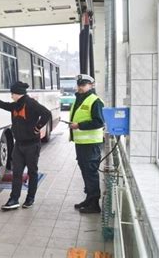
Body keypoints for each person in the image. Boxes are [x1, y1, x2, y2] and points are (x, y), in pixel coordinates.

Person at [0, 81, 51, 210]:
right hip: (18, 145)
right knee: (17, 173)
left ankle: (30, 198)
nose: (11, 96)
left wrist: (37, 128)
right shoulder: (15, 106)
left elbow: (46, 114)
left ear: (17, 93)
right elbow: (1, 104)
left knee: (32, 172)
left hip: (32, 145)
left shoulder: (31, 104)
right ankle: (14, 199)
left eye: (12, 93)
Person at [69, 74, 105, 214]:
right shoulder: (79, 99)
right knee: (85, 172)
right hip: (82, 143)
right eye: (79, 84)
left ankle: (94, 204)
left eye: (84, 84)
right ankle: (89, 199)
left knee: (91, 173)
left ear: (91, 85)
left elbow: (99, 122)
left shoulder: (95, 101)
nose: (81, 87)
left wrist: (79, 126)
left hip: (91, 144)